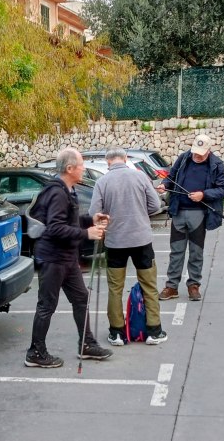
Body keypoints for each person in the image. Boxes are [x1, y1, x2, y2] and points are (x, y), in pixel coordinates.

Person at [25, 148, 112, 368]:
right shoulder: (57, 192)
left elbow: (68, 221)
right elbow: (55, 228)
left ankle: (87, 344)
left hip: (67, 258)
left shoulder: (68, 190)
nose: (84, 168)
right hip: (53, 258)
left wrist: (91, 219)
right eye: (81, 165)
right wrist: (87, 234)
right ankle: (35, 353)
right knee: (47, 305)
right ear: (70, 168)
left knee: (81, 298)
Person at [88, 148, 166, 346]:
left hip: (115, 242)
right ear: (125, 159)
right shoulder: (139, 177)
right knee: (149, 285)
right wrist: (140, 212)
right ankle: (154, 331)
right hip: (141, 239)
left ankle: (117, 333)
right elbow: (156, 205)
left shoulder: (102, 182)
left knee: (115, 288)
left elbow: (94, 212)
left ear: (108, 163)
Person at [155, 134, 224, 301]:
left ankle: (193, 285)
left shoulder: (217, 165)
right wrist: (164, 186)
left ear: (208, 150)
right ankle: (171, 287)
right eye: (195, 152)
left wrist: (203, 195)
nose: (197, 155)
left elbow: (223, 190)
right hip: (178, 211)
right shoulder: (183, 158)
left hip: (200, 214)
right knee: (176, 251)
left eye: (201, 153)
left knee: (196, 252)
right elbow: (171, 178)